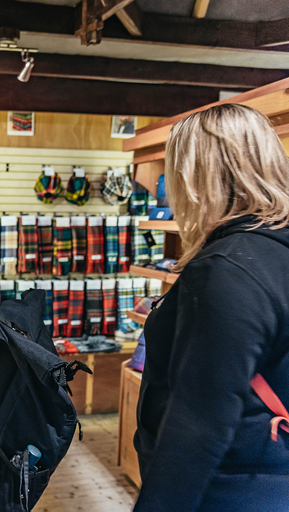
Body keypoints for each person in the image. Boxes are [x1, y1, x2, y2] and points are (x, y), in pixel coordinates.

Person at [133, 104, 289, 511]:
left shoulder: (226, 267)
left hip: (229, 488)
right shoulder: (272, 250)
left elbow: (198, 423)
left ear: (194, 175)